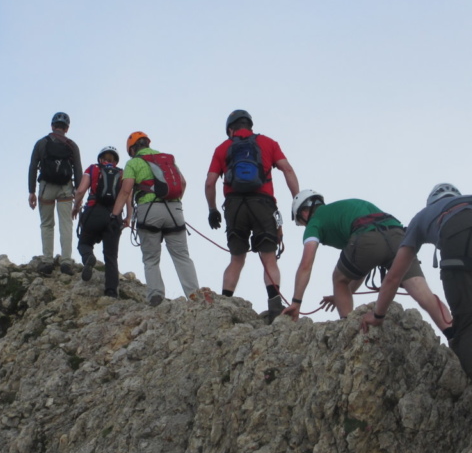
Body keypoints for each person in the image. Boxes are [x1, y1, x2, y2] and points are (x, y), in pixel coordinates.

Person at [361, 183, 472, 435]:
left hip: (461, 230)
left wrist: (378, 314)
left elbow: (394, 276)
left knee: (467, 327)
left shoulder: (423, 217)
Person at [281, 191, 452, 332]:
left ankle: (350, 330)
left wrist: (296, 303)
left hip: (366, 238)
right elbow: (362, 268)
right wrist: (343, 293)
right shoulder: (347, 206)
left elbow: (306, 264)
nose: (305, 226)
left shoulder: (315, 221)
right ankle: (453, 333)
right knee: (424, 294)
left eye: (301, 222)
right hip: (399, 235)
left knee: (338, 278)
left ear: (304, 213)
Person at [205, 109, 300, 322]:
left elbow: (210, 182)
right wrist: (297, 200)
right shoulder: (268, 143)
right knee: (269, 257)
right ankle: (275, 306)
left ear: (230, 129)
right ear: (250, 126)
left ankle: (225, 303)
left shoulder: (223, 148)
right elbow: (287, 169)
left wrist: (212, 210)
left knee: (236, 258)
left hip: (234, 206)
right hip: (264, 204)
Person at [111, 131, 199, 306]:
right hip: (174, 210)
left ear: (133, 149)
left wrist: (114, 214)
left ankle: (156, 295)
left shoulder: (134, 162)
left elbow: (126, 190)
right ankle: (194, 295)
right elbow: (182, 183)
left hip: (148, 210)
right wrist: (174, 202)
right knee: (182, 256)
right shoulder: (167, 159)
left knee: (151, 258)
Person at [27, 111, 83, 274]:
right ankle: (66, 262)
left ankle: (47, 261)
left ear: (52, 126)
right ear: (67, 128)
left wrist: (31, 191)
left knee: (46, 224)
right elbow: (78, 170)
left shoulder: (41, 143)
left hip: (46, 188)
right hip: (66, 188)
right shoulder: (72, 145)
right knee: (66, 224)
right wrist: (78, 198)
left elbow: (32, 167)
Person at [71, 146, 124, 298]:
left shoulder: (93, 169)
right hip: (114, 216)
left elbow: (80, 190)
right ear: (115, 161)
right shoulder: (122, 173)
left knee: (84, 243)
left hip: (94, 212)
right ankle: (111, 291)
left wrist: (76, 206)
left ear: (100, 158)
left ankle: (88, 257)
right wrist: (128, 217)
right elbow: (127, 195)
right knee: (111, 256)